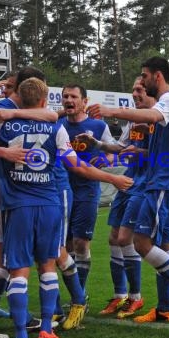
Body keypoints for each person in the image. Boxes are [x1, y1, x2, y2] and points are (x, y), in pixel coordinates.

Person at [0, 78, 132, 338]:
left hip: (17, 206)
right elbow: (77, 166)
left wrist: (0, 147)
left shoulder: (1, 121)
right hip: (49, 204)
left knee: (17, 270)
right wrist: (112, 179)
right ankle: (46, 330)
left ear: (19, 98)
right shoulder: (56, 127)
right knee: (48, 265)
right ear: (43, 101)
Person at [88, 56, 169, 324]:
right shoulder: (164, 105)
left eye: (144, 76)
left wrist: (110, 111)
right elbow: (142, 137)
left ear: (158, 76)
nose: (141, 82)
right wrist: (99, 144)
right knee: (163, 244)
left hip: (163, 182)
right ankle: (164, 308)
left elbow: (153, 115)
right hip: (161, 181)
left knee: (140, 242)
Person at [80, 78, 155, 319]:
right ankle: (120, 295)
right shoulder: (133, 120)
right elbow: (121, 148)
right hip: (129, 180)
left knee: (125, 238)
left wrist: (141, 152)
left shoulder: (159, 118)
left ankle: (136, 296)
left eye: (139, 90)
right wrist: (97, 144)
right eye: (133, 89)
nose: (135, 94)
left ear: (150, 91)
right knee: (113, 238)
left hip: (145, 183)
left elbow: (167, 152)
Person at [60, 84, 116, 297]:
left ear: (84, 101)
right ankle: (76, 295)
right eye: (65, 96)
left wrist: (104, 158)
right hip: (62, 190)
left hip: (87, 190)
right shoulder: (58, 125)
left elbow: (112, 151)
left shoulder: (99, 126)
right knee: (65, 246)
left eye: (73, 96)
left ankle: (79, 296)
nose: (68, 100)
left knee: (81, 242)